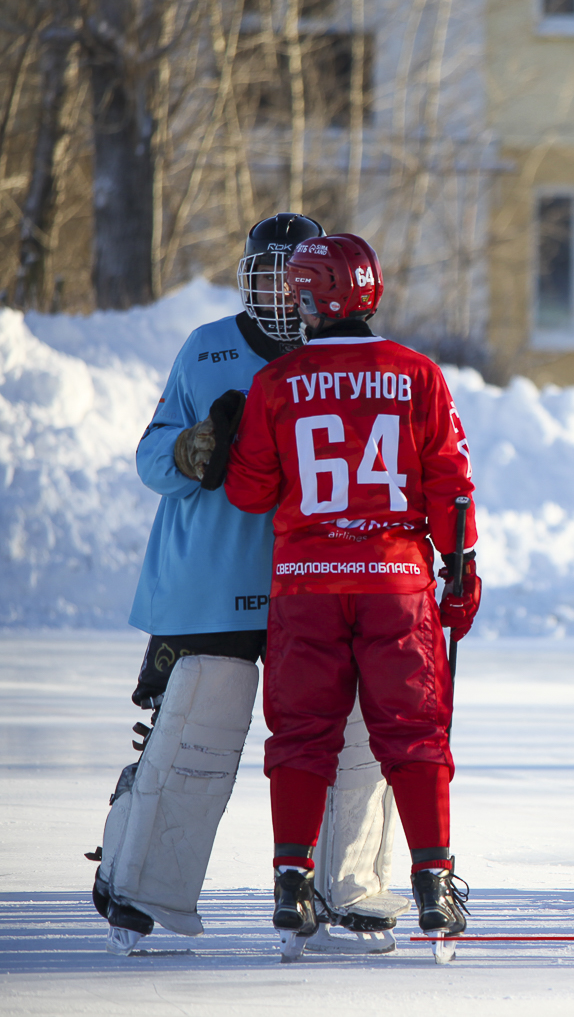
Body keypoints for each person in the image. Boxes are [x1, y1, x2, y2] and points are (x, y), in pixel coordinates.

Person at [92, 213, 407, 956]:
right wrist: (193, 448)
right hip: (208, 583)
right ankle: (137, 885)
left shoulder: (357, 361)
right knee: (195, 730)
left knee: (350, 731)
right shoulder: (206, 349)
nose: (286, 290)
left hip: (321, 582)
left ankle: (349, 884)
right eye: (272, 273)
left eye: (300, 275)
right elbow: (150, 458)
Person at [223, 233, 480, 952]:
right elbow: (450, 489)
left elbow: (249, 492)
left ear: (309, 298)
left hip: (306, 582)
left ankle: (291, 883)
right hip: (395, 581)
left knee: (302, 734)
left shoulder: (278, 381)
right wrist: (461, 571)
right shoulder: (417, 374)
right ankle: (433, 883)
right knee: (415, 731)